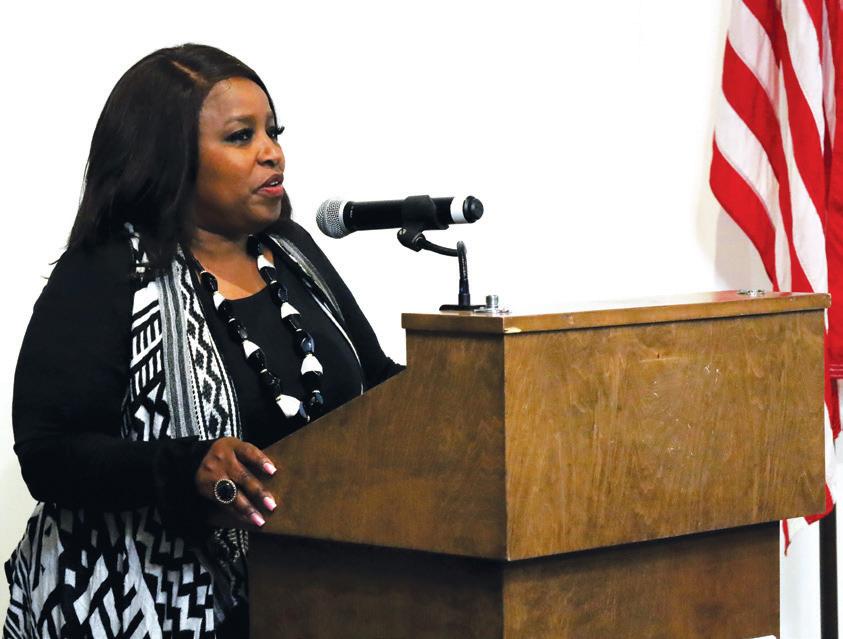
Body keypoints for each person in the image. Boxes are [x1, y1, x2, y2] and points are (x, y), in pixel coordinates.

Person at [3, 43, 402, 638]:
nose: (272, 152)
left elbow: (378, 384)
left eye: (273, 132)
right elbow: (49, 454)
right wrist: (183, 466)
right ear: (169, 159)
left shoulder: (291, 251)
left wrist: (473, 383)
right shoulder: (109, 270)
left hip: (303, 598)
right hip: (139, 609)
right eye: (242, 136)